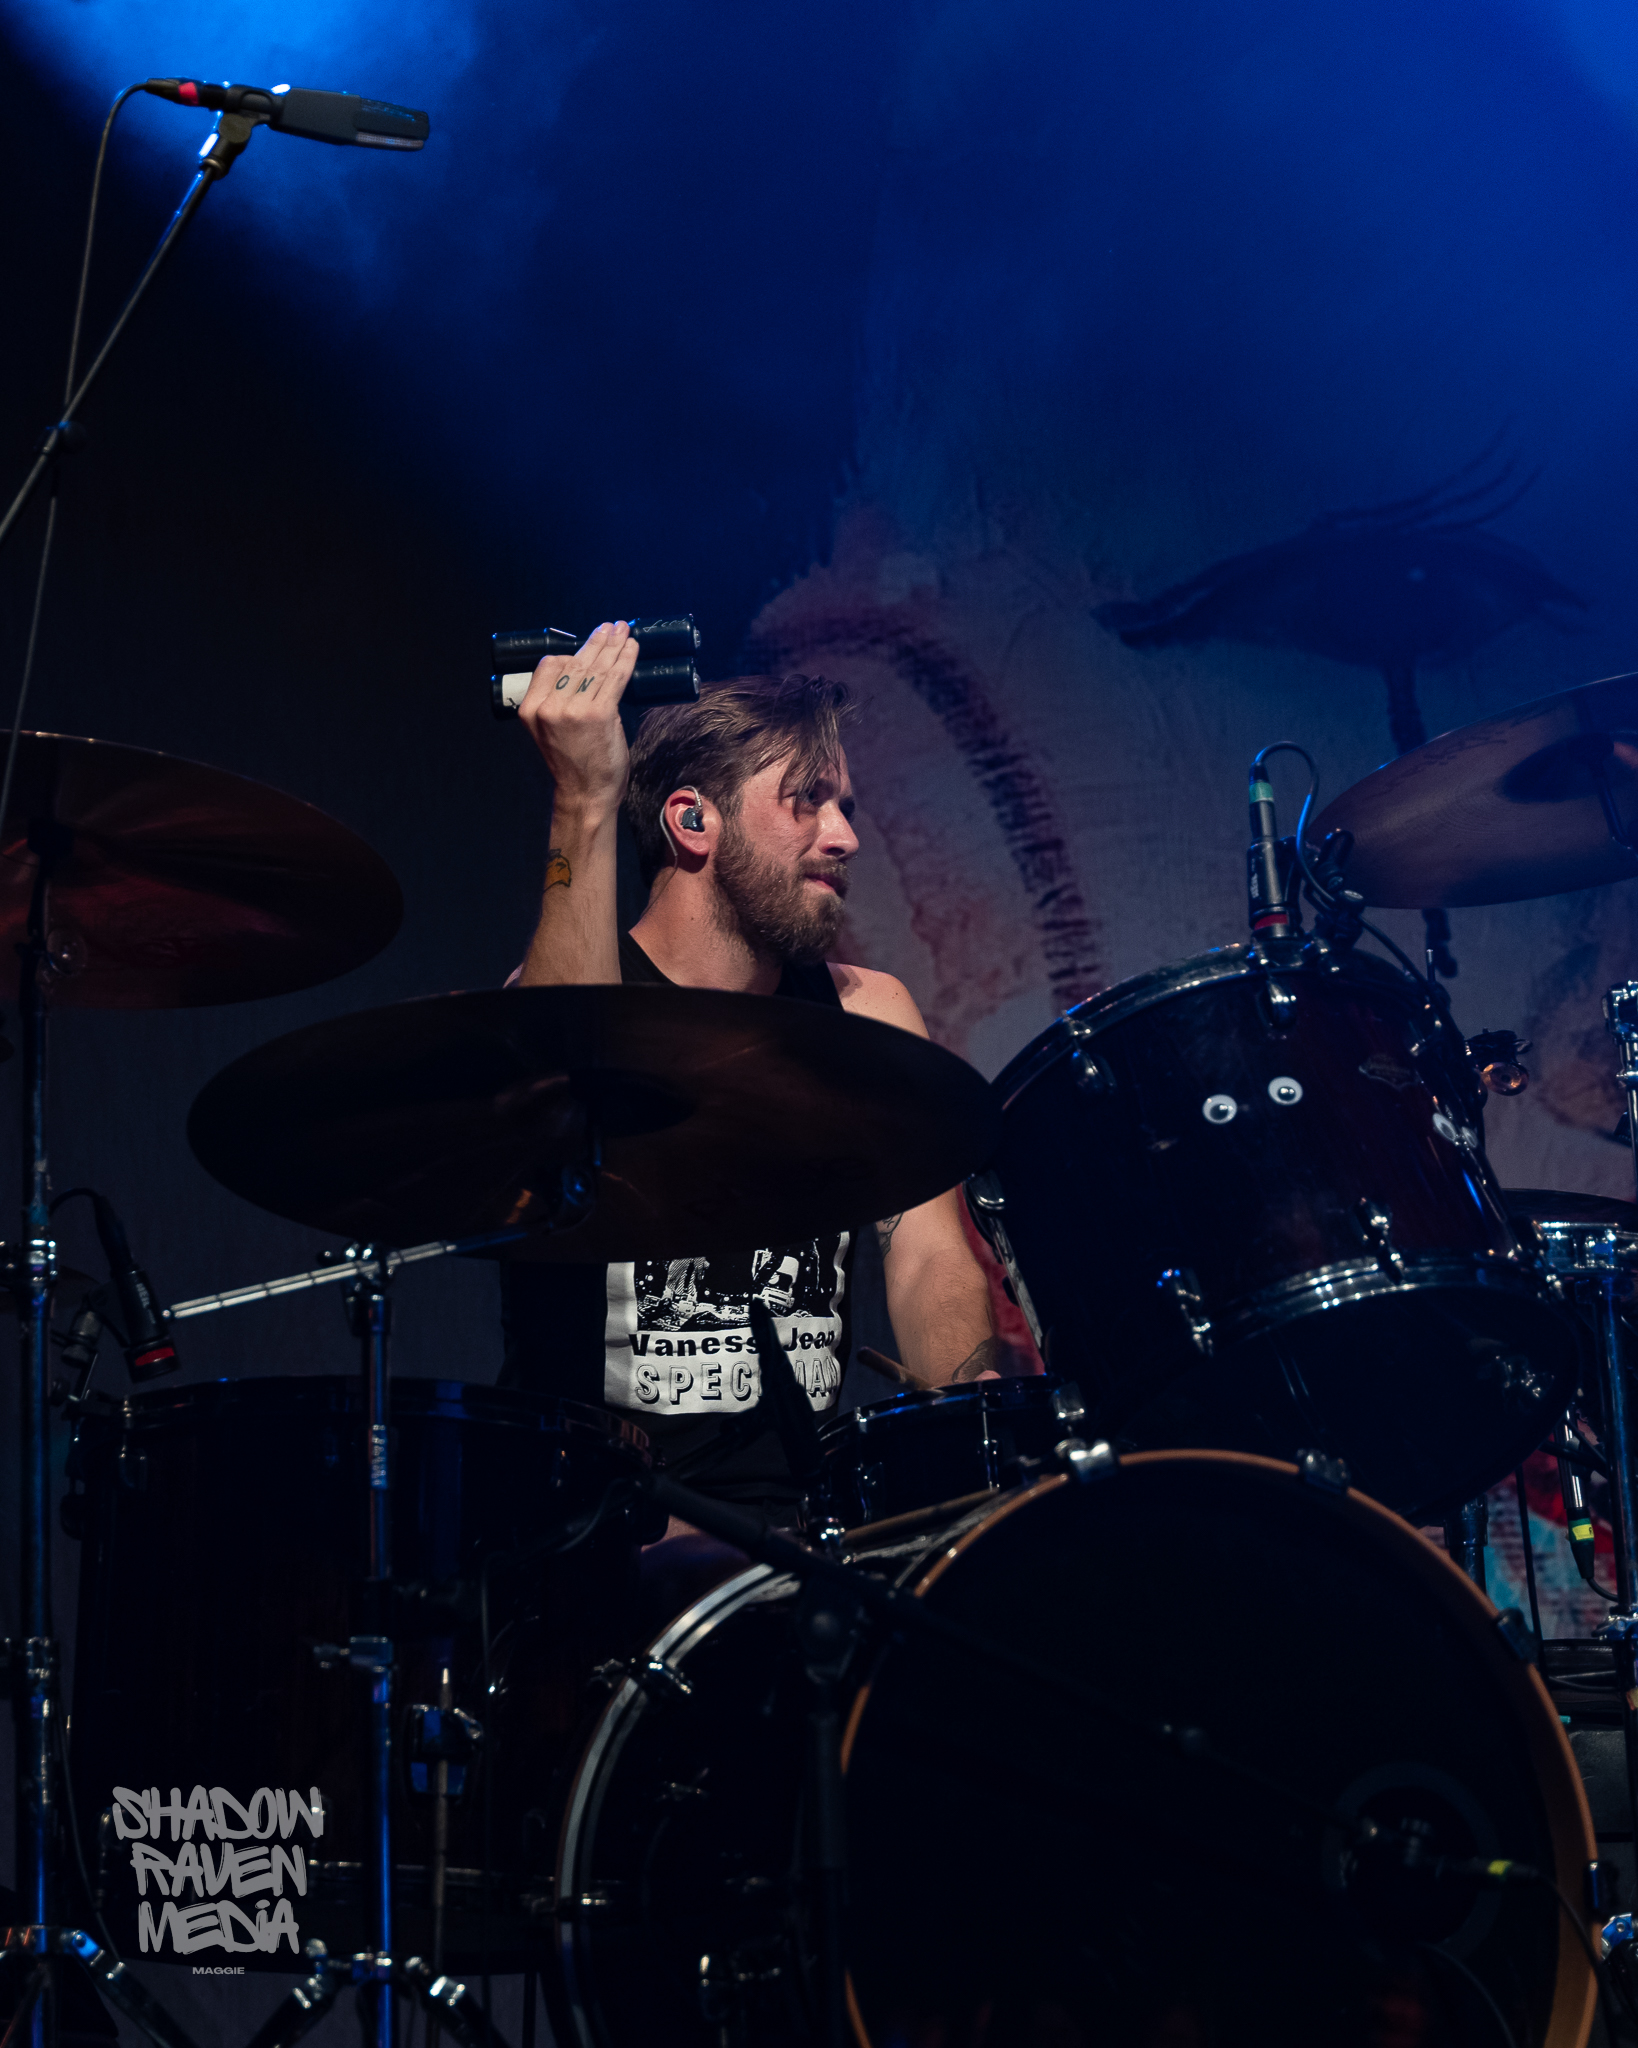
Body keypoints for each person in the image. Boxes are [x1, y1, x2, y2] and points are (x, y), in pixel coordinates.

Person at [499, 617, 1002, 1516]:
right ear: (694, 820)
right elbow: (567, 1042)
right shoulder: (572, 990)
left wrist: (965, 1461)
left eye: (846, 806)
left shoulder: (866, 1012)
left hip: (814, 1525)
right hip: (604, 1529)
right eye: (808, 801)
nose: (844, 837)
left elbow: (930, 1255)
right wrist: (584, 797)